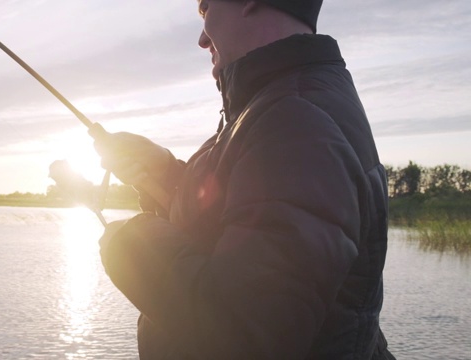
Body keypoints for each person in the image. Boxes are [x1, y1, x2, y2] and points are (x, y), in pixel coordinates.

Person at [90, 0, 395, 358]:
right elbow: (241, 224)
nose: (203, 39)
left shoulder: (296, 122)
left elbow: (244, 331)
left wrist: (130, 243)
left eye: (206, 9)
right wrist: (167, 176)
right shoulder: (280, 106)